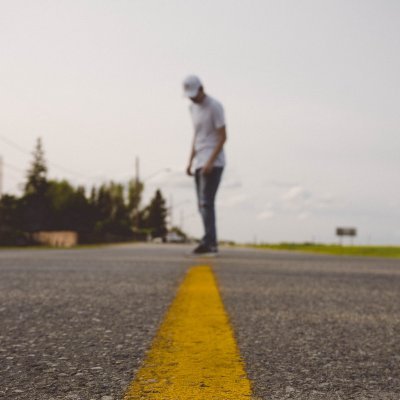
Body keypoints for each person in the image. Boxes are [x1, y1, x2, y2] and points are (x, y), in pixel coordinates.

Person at [183, 75, 227, 256]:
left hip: (213, 162)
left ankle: (210, 243)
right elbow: (196, 136)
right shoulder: (192, 108)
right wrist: (190, 161)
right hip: (199, 161)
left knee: (207, 203)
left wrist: (210, 161)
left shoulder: (214, 106)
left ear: (202, 88)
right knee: (201, 205)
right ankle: (208, 240)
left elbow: (223, 136)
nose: (193, 98)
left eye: (195, 94)